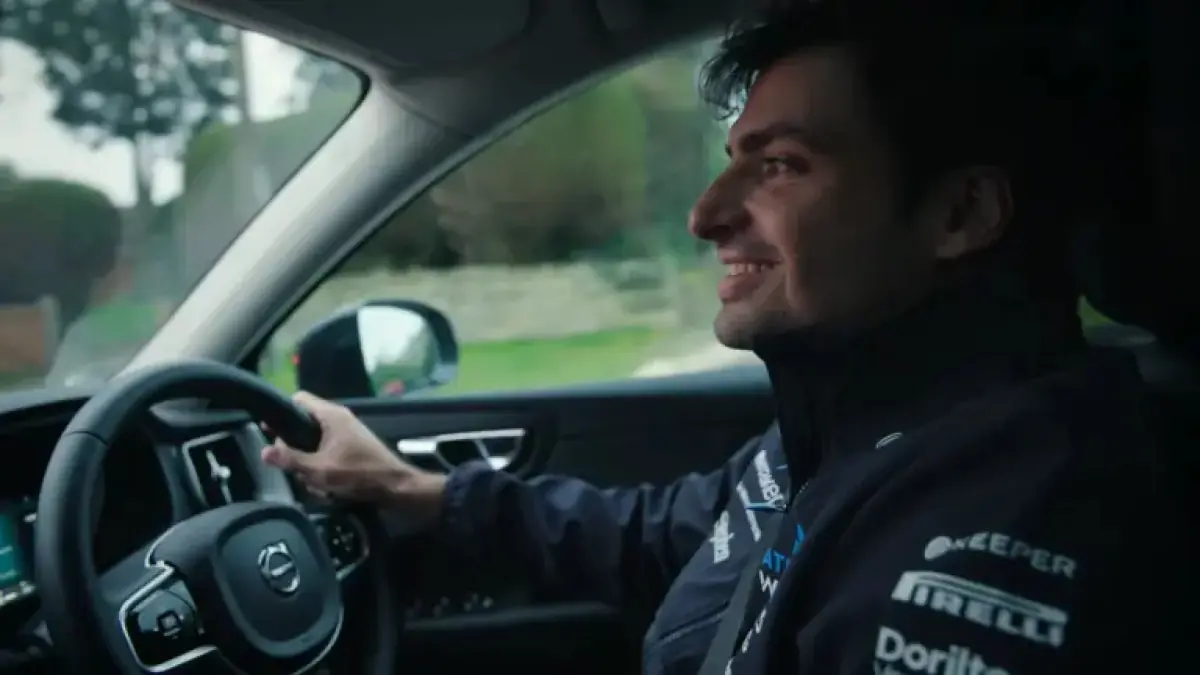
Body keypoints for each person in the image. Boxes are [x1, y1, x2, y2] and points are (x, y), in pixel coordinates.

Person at [263, 1, 1179, 673]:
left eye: (780, 165)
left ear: (960, 213)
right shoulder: (850, 428)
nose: (705, 215)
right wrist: (406, 489)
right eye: (732, 160)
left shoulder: (1006, 533)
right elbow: (661, 535)